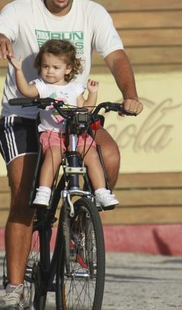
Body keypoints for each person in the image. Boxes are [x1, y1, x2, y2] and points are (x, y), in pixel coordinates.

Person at [0, 0, 143, 310]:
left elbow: (116, 55)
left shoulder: (93, 13)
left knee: (110, 156)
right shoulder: (20, 10)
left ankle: (78, 228)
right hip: (24, 113)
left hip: (72, 115)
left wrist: (130, 95)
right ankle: (15, 292)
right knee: (23, 191)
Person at [9, 39, 119, 208]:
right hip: (52, 133)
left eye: (55, 67)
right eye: (45, 66)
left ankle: (101, 192)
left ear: (68, 68)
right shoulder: (42, 86)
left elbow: (86, 109)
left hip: (76, 134)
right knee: (54, 155)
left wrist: (93, 94)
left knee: (92, 155)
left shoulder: (75, 88)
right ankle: (44, 191)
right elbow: (26, 91)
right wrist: (18, 70)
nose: (49, 71)